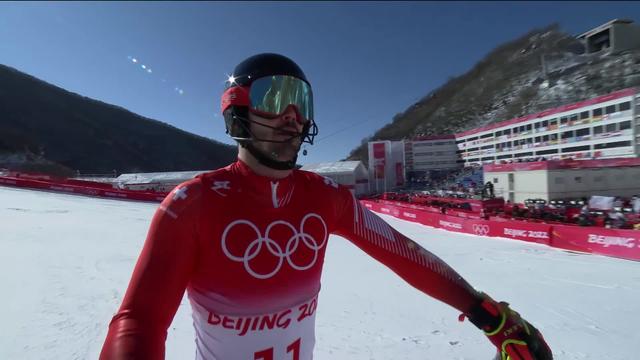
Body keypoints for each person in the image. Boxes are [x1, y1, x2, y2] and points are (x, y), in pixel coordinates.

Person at [99, 53, 552, 360]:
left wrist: (487, 314)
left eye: (301, 103)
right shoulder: (191, 205)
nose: (292, 118)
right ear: (237, 112)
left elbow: (402, 251)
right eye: (274, 100)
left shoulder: (323, 198)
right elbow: (139, 319)